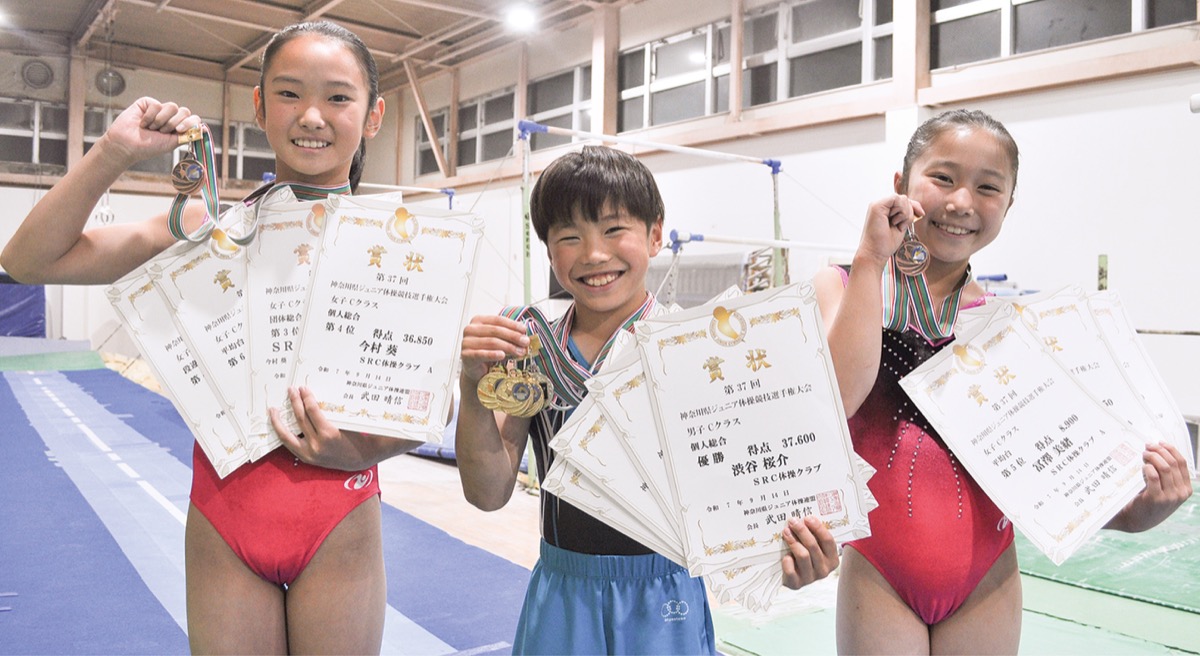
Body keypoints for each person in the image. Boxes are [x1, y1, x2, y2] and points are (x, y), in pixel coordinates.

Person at [0, 21, 420, 653]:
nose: (312, 115)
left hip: (340, 514)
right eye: (287, 93)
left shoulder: (402, 248)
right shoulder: (204, 231)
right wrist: (112, 153)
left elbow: (426, 398)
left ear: (374, 115)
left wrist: (369, 453)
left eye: (337, 97)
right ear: (258, 105)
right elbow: (28, 262)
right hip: (226, 517)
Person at [814, 108, 1194, 654]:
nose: (962, 202)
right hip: (880, 568)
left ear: (1008, 205)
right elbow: (836, 399)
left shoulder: (1013, 328)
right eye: (943, 178)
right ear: (900, 184)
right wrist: (873, 259)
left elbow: (1055, 474)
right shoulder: (846, 282)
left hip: (987, 576)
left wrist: (1143, 511)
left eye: (988, 188)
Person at [455, 145, 841, 655]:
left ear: (656, 234)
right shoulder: (535, 352)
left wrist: (789, 556)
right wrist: (473, 391)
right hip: (562, 595)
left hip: (666, 598)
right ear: (549, 252)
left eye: (614, 230)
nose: (594, 254)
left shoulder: (699, 351)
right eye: (570, 237)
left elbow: (745, 486)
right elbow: (488, 494)